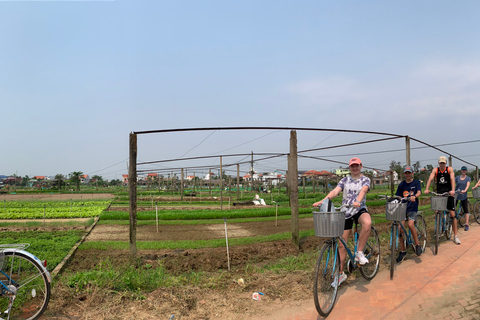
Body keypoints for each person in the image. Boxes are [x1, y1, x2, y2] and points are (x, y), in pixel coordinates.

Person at [312, 157, 371, 286]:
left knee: (367, 223)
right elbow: (335, 191)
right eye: (352, 166)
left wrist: (358, 201)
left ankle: (359, 253)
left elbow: (363, 190)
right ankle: (340, 274)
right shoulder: (344, 180)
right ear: (349, 168)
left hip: (359, 208)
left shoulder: (365, 179)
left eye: (357, 166)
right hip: (346, 212)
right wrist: (323, 201)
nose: (354, 168)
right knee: (341, 244)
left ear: (361, 166)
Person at [425, 156, 460, 244]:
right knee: (437, 211)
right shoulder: (435, 170)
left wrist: (452, 190)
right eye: (441, 163)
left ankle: (455, 236)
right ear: (438, 163)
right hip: (440, 193)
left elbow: (452, 179)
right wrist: (427, 188)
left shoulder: (449, 169)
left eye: (443, 163)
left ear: (445, 163)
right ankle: (438, 231)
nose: (442, 164)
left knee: (452, 214)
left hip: (449, 193)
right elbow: (430, 179)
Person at [395, 166, 423, 262]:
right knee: (400, 229)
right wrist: (397, 199)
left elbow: (419, 192)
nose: (407, 174)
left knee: (410, 224)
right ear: (404, 174)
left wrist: (414, 196)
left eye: (409, 173)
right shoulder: (402, 184)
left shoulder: (416, 183)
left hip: (412, 207)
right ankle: (403, 251)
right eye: (406, 173)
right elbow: (398, 195)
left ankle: (417, 244)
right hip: (403, 208)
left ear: (412, 173)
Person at [455, 166, 471, 231]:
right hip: (456, 194)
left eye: (465, 170)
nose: (463, 171)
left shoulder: (468, 178)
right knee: (452, 207)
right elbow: (453, 183)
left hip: (463, 194)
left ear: (466, 171)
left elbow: (468, 185)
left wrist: (465, 190)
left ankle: (467, 224)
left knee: (465, 210)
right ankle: (453, 220)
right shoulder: (457, 177)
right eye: (462, 170)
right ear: (461, 171)